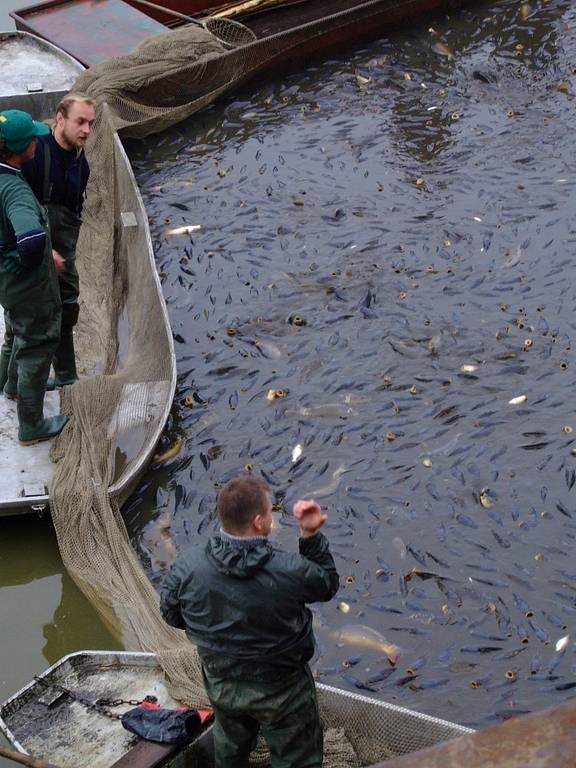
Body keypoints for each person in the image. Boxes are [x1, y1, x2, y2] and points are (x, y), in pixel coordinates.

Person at [160, 475, 339, 768]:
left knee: (230, 748)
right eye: (270, 512)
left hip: (224, 686)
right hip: (284, 692)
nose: (272, 517)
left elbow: (170, 613)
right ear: (259, 522)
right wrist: (310, 535)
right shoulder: (289, 570)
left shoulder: (187, 567)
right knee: (298, 759)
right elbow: (326, 584)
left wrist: (212, 634)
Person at [16, 92, 95, 392]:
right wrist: (45, 250)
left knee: (67, 308)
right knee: (33, 319)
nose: (87, 130)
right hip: (36, 251)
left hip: (65, 254)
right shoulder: (35, 157)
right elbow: (19, 212)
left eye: (90, 123)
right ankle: (19, 387)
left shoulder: (80, 161)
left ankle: (65, 374)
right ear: (60, 119)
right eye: (80, 122)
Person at [0, 109, 68, 444]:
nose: (37, 142)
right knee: (36, 346)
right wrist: (33, 259)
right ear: (16, 149)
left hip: (7, 286)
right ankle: (31, 425)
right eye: (31, 139)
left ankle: (10, 385)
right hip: (29, 288)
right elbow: (30, 236)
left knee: (16, 330)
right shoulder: (15, 191)